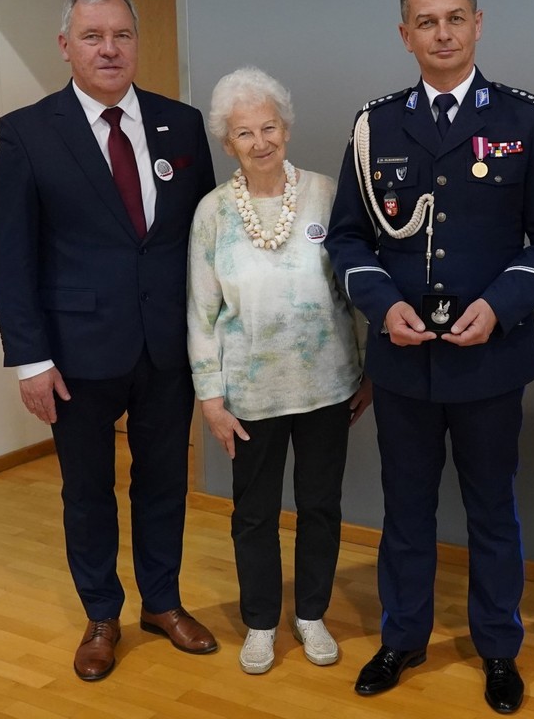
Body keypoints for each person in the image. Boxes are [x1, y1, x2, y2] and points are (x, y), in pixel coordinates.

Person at [326, 0, 534, 714]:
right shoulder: (374, 125)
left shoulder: (527, 120)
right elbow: (347, 237)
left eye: (455, 18)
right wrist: (381, 306)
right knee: (405, 509)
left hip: (489, 358)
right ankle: (403, 637)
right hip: (403, 361)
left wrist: (499, 306)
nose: (442, 33)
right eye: (426, 22)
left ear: (478, 24)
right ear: (405, 34)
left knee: (493, 509)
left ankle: (498, 647)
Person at [0, 0, 219, 682]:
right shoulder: (27, 133)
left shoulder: (182, 124)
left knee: (163, 483)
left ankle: (162, 602)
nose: (109, 49)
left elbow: (203, 239)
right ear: (66, 46)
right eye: (93, 36)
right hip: (77, 352)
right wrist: (30, 360)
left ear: (137, 42)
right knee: (88, 491)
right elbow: (11, 256)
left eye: (122, 35)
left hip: (167, 346)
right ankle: (100, 615)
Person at [187, 66, 371, 675]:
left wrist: (367, 369)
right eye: (245, 133)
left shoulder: (326, 194)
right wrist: (210, 397)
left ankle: (312, 613)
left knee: (320, 505)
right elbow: (200, 313)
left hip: (327, 386)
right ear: (228, 143)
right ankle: (261, 622)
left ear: (286, 129)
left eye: (269, 127)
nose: (260, 141)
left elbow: (357, 290)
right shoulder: (213, 212)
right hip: (249, 394)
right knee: (254, 514)